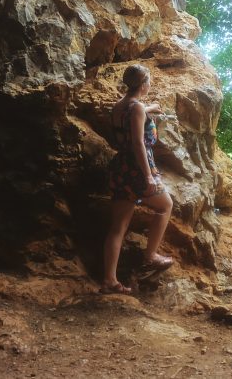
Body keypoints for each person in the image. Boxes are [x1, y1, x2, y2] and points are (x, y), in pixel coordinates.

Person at [101, 64, 174, 294]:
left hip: (120, 169)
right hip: (137, 169)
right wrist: (148, 176)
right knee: (165, 206)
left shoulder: (119, 106)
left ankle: (109, 280)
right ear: (143, 85)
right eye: (149, 82)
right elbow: (138, 143)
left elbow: (136, 113)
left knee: (117, 228)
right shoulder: (138, 109)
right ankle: (150, 255)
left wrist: (151, 107)